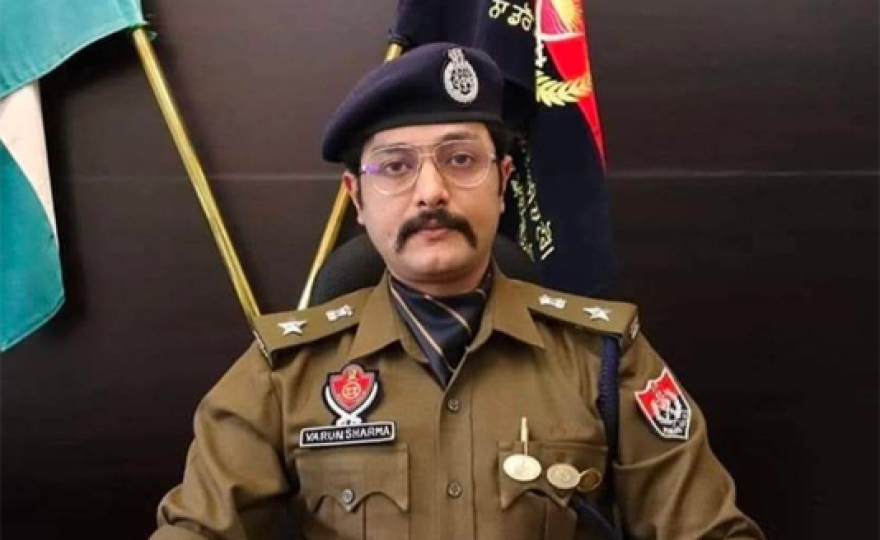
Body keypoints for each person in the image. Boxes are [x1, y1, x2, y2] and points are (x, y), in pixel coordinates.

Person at [150, 42, 765, 540]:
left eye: (461, 160)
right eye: (396, 166)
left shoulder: (605, 357)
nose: (431, 192)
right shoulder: (284, 372)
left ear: (502, 182)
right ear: (357, 198)